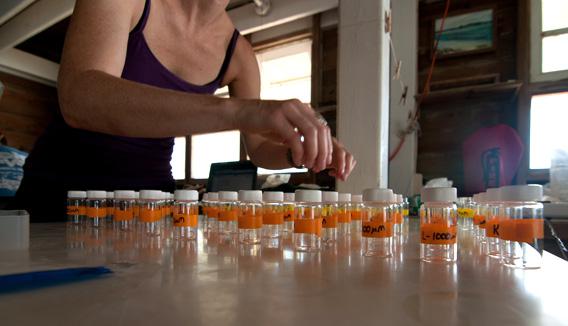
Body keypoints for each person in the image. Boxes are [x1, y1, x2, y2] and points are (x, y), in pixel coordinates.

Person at [13, 0, 356, 222]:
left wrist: (303, 151)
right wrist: (238, 111)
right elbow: (79, 97)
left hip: (149, 209)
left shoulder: (240, 56)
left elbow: (260, 148)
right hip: (57, 201)